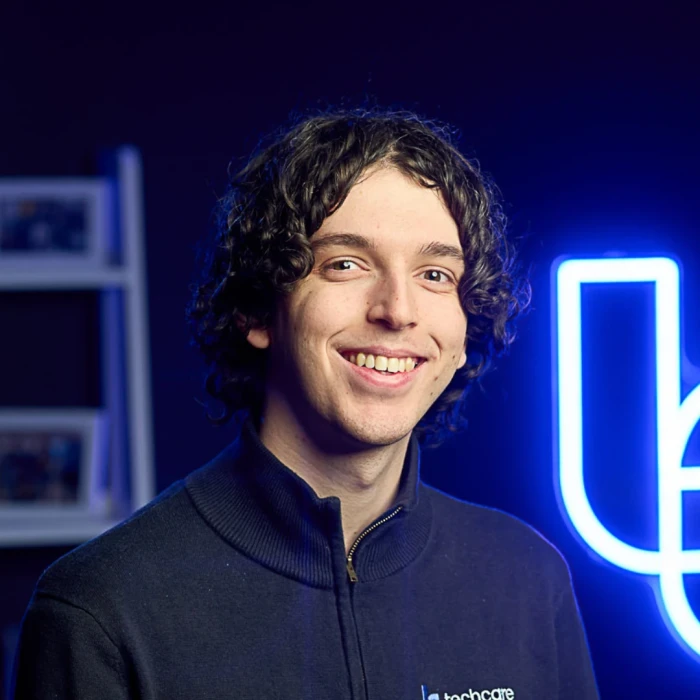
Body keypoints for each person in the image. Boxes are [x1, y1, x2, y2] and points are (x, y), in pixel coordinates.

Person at [12, 108, 599, 699]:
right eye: (346, 264)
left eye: (435, 274)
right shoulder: (101, 611)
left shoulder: (529, 580)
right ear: (256, 308)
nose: (398, 310)